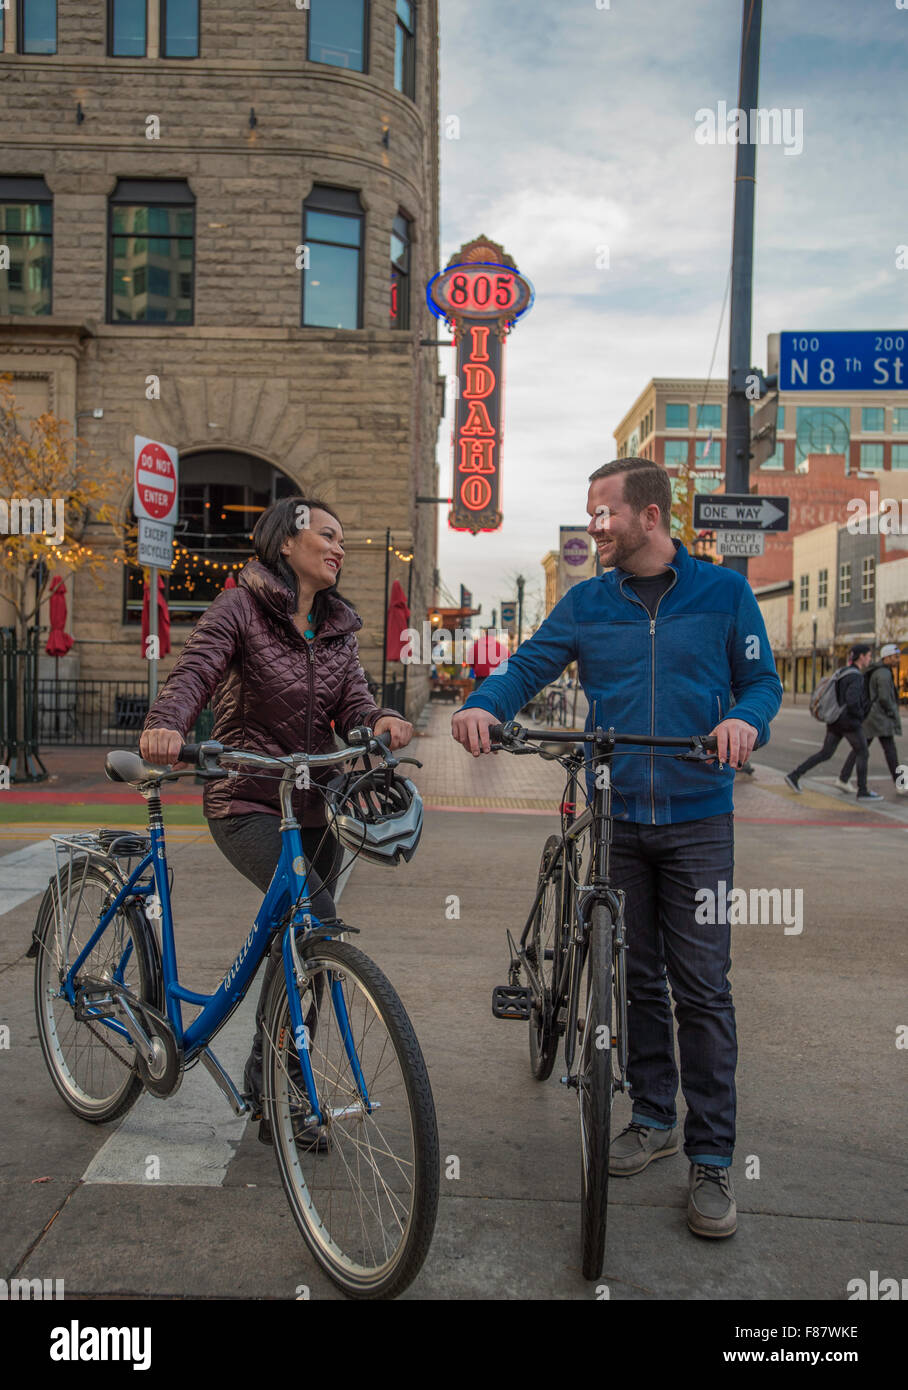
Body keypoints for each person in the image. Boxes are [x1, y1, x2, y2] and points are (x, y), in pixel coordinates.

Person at [452, 457, 783, 1239]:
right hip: (616, 814)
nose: (593, 526)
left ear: (651, 516)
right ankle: (654, 1115)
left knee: (702, 987)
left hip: (700, 815)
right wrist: (481, 704)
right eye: (590, 513)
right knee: (636, 979)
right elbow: (530, 666)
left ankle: (710, 1160)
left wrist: (745, 721)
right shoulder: (587, 602)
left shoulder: (725, 594)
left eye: (604, 513)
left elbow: (760, 684)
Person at [139, 495, 412, 1142]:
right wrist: (165, 727)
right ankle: (288, 1088)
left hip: (314, 806)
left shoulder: (338, 627)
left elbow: (354, 702)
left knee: (299, 943)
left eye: (343, 538)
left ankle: (274, 1087)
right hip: (248, 799)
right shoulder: (240, 607)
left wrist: (378, 722)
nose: (339, 547)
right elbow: (196, 671)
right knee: (312, 915)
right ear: (286, 543)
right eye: (328, 535)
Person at [784, 645, 883, 802]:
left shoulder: (842, 672)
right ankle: (862, 791)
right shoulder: (856, 676)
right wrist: (860, 716)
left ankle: (794, 775)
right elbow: (852, 701)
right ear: (862, 656)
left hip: (834, 720)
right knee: (863, 752)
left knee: (826, 753)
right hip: (849, 722)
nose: (870, 659)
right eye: (869, 656)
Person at [835, 644, 905, 796]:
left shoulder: (876, 670)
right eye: (895, 656)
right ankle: (899, 784)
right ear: (886, 657)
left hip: (872, 717)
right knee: (889, 750)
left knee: (860, 748)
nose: (898, 659)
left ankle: (843, 777)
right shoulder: (884, 674)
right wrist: (893, 713)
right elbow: (885, 698)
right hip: (879, 718)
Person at [465, 628, 509, 692]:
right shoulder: (502, 648)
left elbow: (470, 661)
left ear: (486, 634)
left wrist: (477, 668)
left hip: (480, 680)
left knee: (479, 699)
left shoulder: (476, 646)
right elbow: (508, 663)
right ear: (495, 635)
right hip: (497, 680)